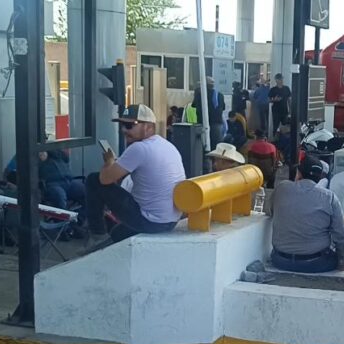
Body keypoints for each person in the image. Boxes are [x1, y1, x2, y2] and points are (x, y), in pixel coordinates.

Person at [83, 104, 186, 252]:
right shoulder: (167, 145)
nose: (124, 130)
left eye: (130, 125)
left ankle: (97, 235)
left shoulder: (139, 148)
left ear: (148, 127)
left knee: (93, 180)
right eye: (122, 125)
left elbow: (104, 180)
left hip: (149, 221)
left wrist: (109, 162)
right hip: (170, 221)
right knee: (117, 233)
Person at [269, 154, 344, 273]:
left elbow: (272, 211)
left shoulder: (281, 188)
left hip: (281, 261)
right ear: (320, 177)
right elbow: (342, 234)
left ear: (299, 173)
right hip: (316, 264)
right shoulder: (329, 197)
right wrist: (342, 262)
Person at [38, 149, 85, 215]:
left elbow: (66, 158)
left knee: (87, 191)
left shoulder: (55, 152)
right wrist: (40, 159)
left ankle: (80, 218)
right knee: (60, 196)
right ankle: (63, 220)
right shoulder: (34, 154)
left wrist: (50, 151)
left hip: (68, 181)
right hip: (52, 184)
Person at [193, 76, 225, 149]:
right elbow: (223, 108)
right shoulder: (219, 95)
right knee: (216, 147)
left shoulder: (200, 93)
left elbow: (194, 105)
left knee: (202, 146)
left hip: (202, 123)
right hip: (216, 123)